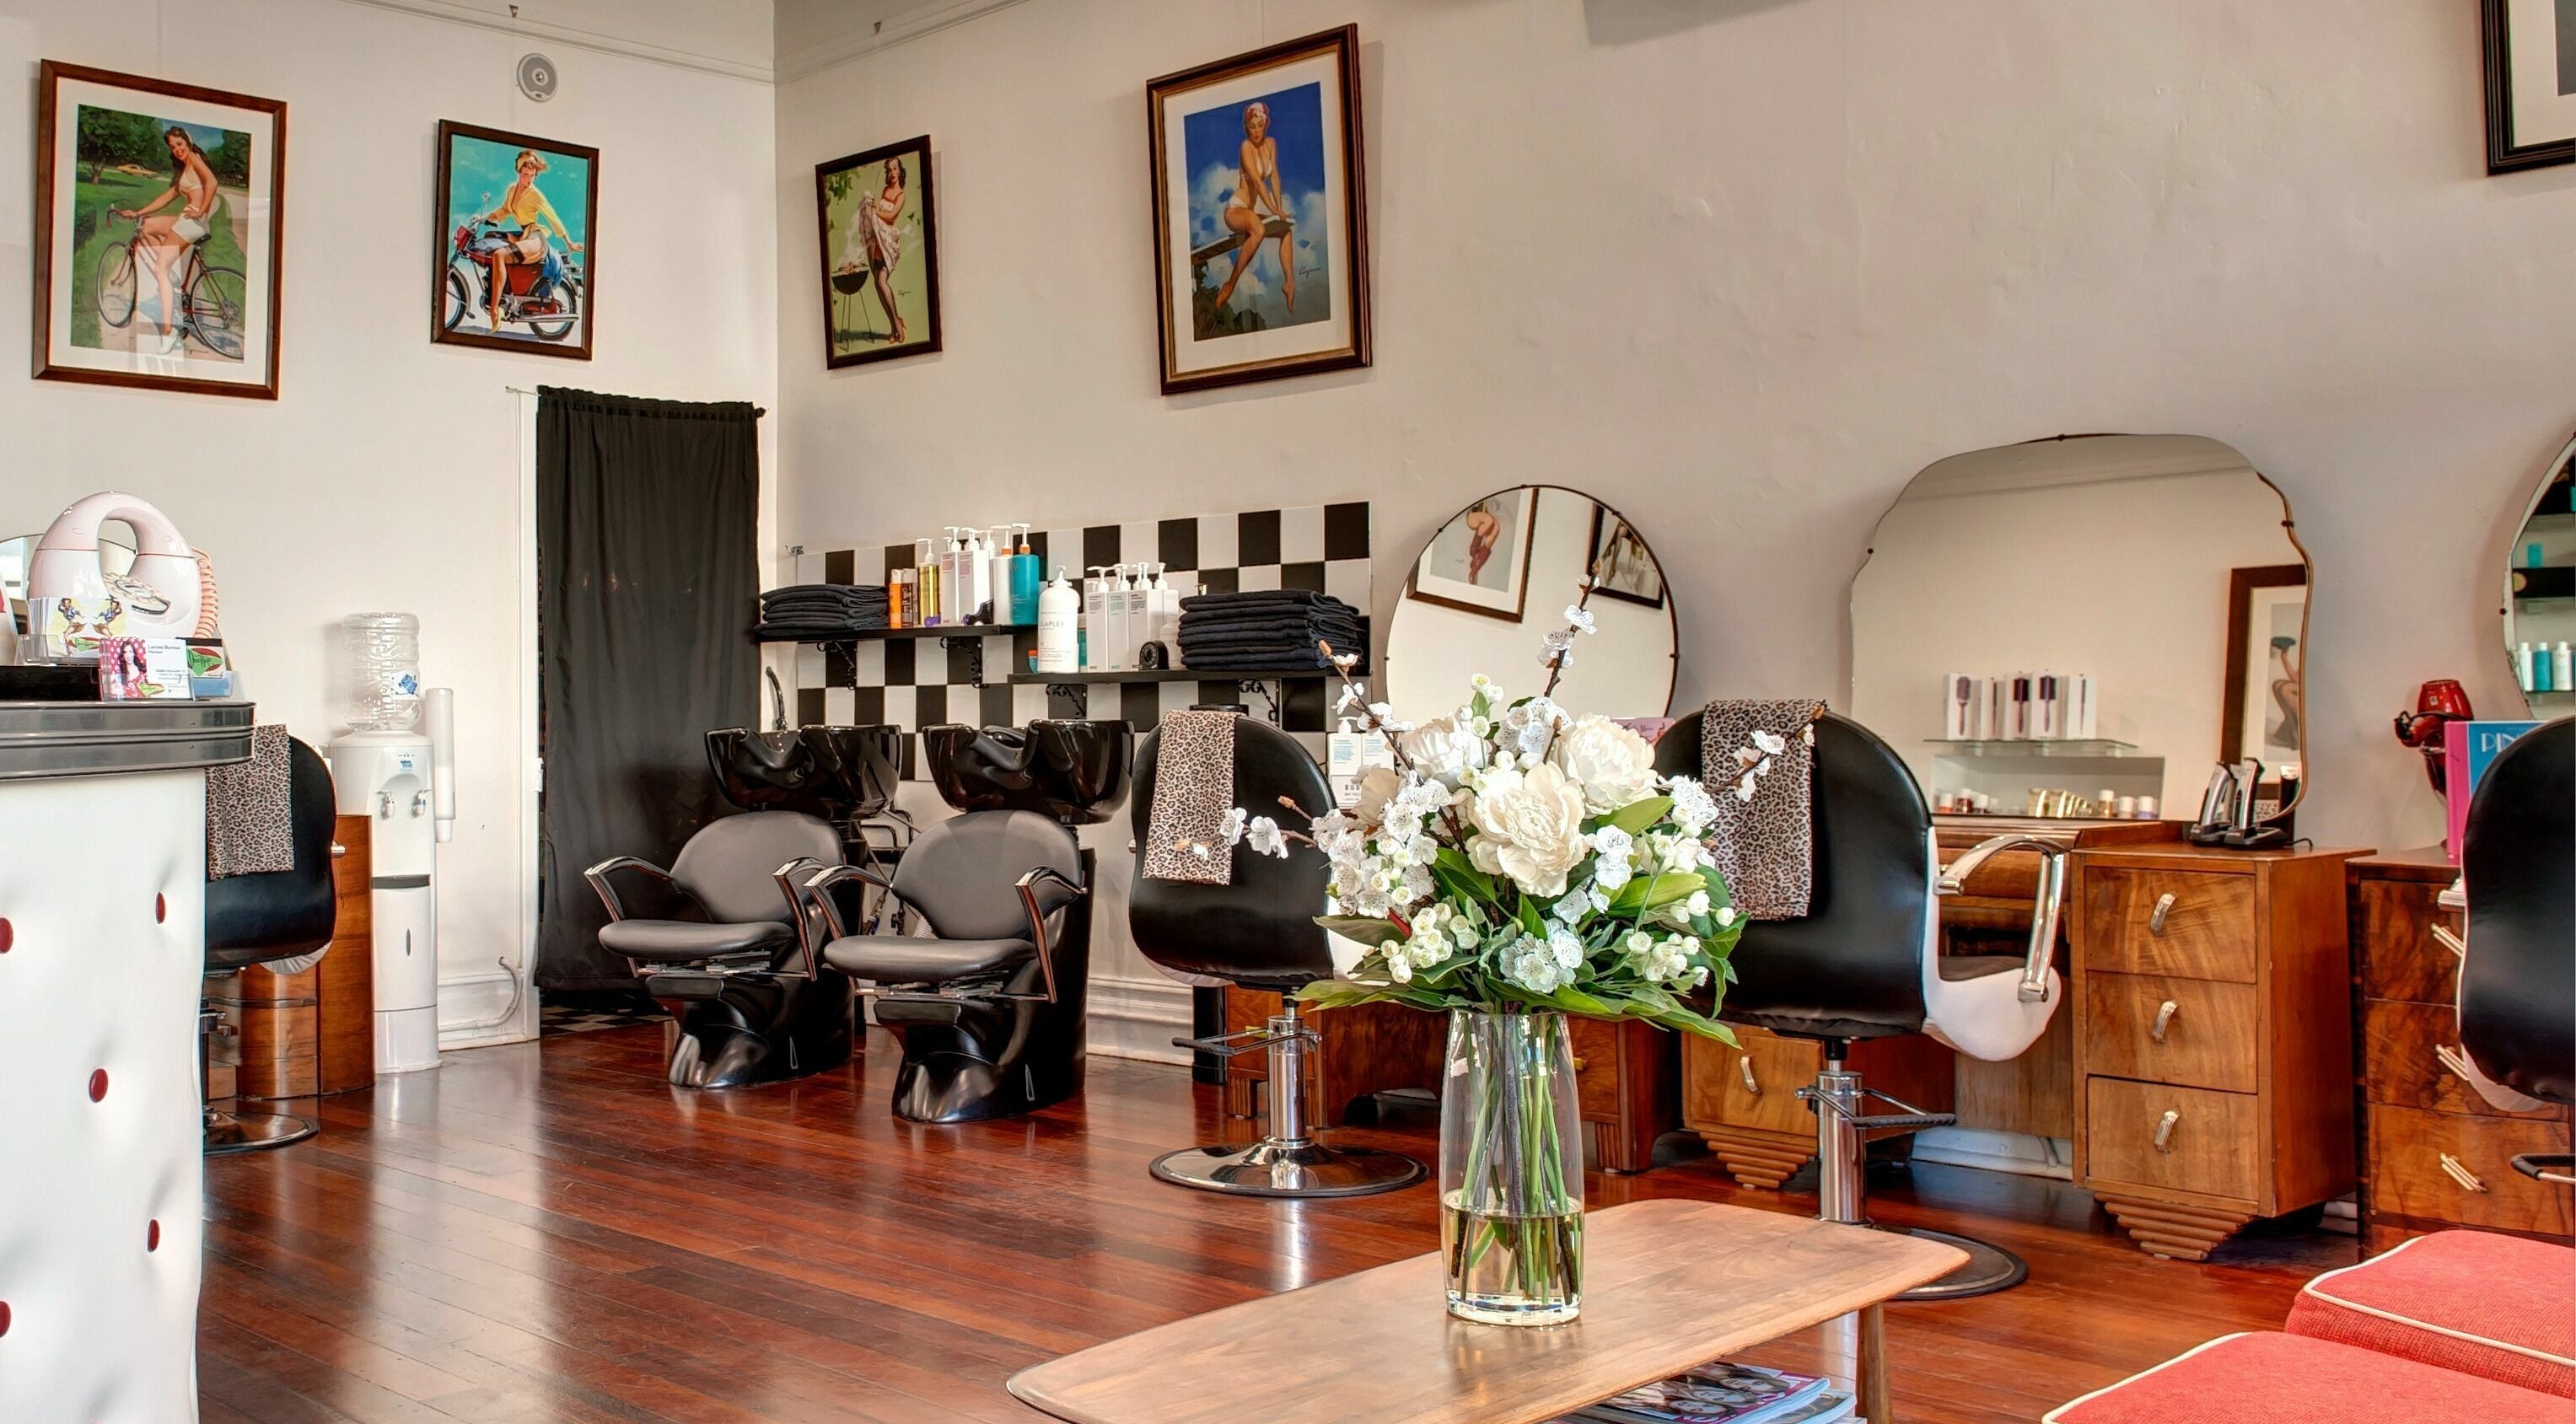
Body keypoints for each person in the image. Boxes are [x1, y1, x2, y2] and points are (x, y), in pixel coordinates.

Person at [115, 126, 223, 357]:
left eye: (179, 145)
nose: (177, 150)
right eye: (173, 147)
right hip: (188, 219)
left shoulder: (194, 158)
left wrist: (202, 211)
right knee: (147, 226)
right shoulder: (185, 170)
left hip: (192, 221)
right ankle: (171, 278)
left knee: (160, 268)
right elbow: (167, 197)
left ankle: (169, 331)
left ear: (188, 142)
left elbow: (212, 182)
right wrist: (137, 212)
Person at [479, 149, 583, 332]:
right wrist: (483, 219)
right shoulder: (512, 190)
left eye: (533, 176)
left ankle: (496, 311)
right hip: (522, 235)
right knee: (491, 240)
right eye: (526, 175)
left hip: (535, 238)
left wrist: (569, 242)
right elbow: (504, 211)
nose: (529, 180)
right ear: (519, 172)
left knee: (499, 255)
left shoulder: (534, 194)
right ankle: (505, 295)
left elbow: (553, 217)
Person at [1208, 101, 1296, 318]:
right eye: (1252, 126)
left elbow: (1274, 176)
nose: (1256, 131)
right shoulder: (1245, 147)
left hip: (1250, 212)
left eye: (1259, 126)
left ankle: (1290, 282)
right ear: (1246, 127)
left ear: (1266, 125)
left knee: (1285, 230)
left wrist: (1280, 211)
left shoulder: (1271, 144)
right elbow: (1258, 183)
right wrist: (1275, 210)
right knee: (1258, 229)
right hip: (1235, 210)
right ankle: (1230, 284)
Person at [836, 157, 908, 344]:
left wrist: (874, 210)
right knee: (878, 284)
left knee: (882, 282)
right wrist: (870, 206)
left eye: (894, 169)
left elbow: (891, 215)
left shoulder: (901, 195)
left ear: (900, 171)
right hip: (877, 239)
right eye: (889, 169)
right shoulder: (885, 190)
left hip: (888, 240)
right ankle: (894, 325)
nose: (892, 173)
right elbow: (877, 215)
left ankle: (898, 325)